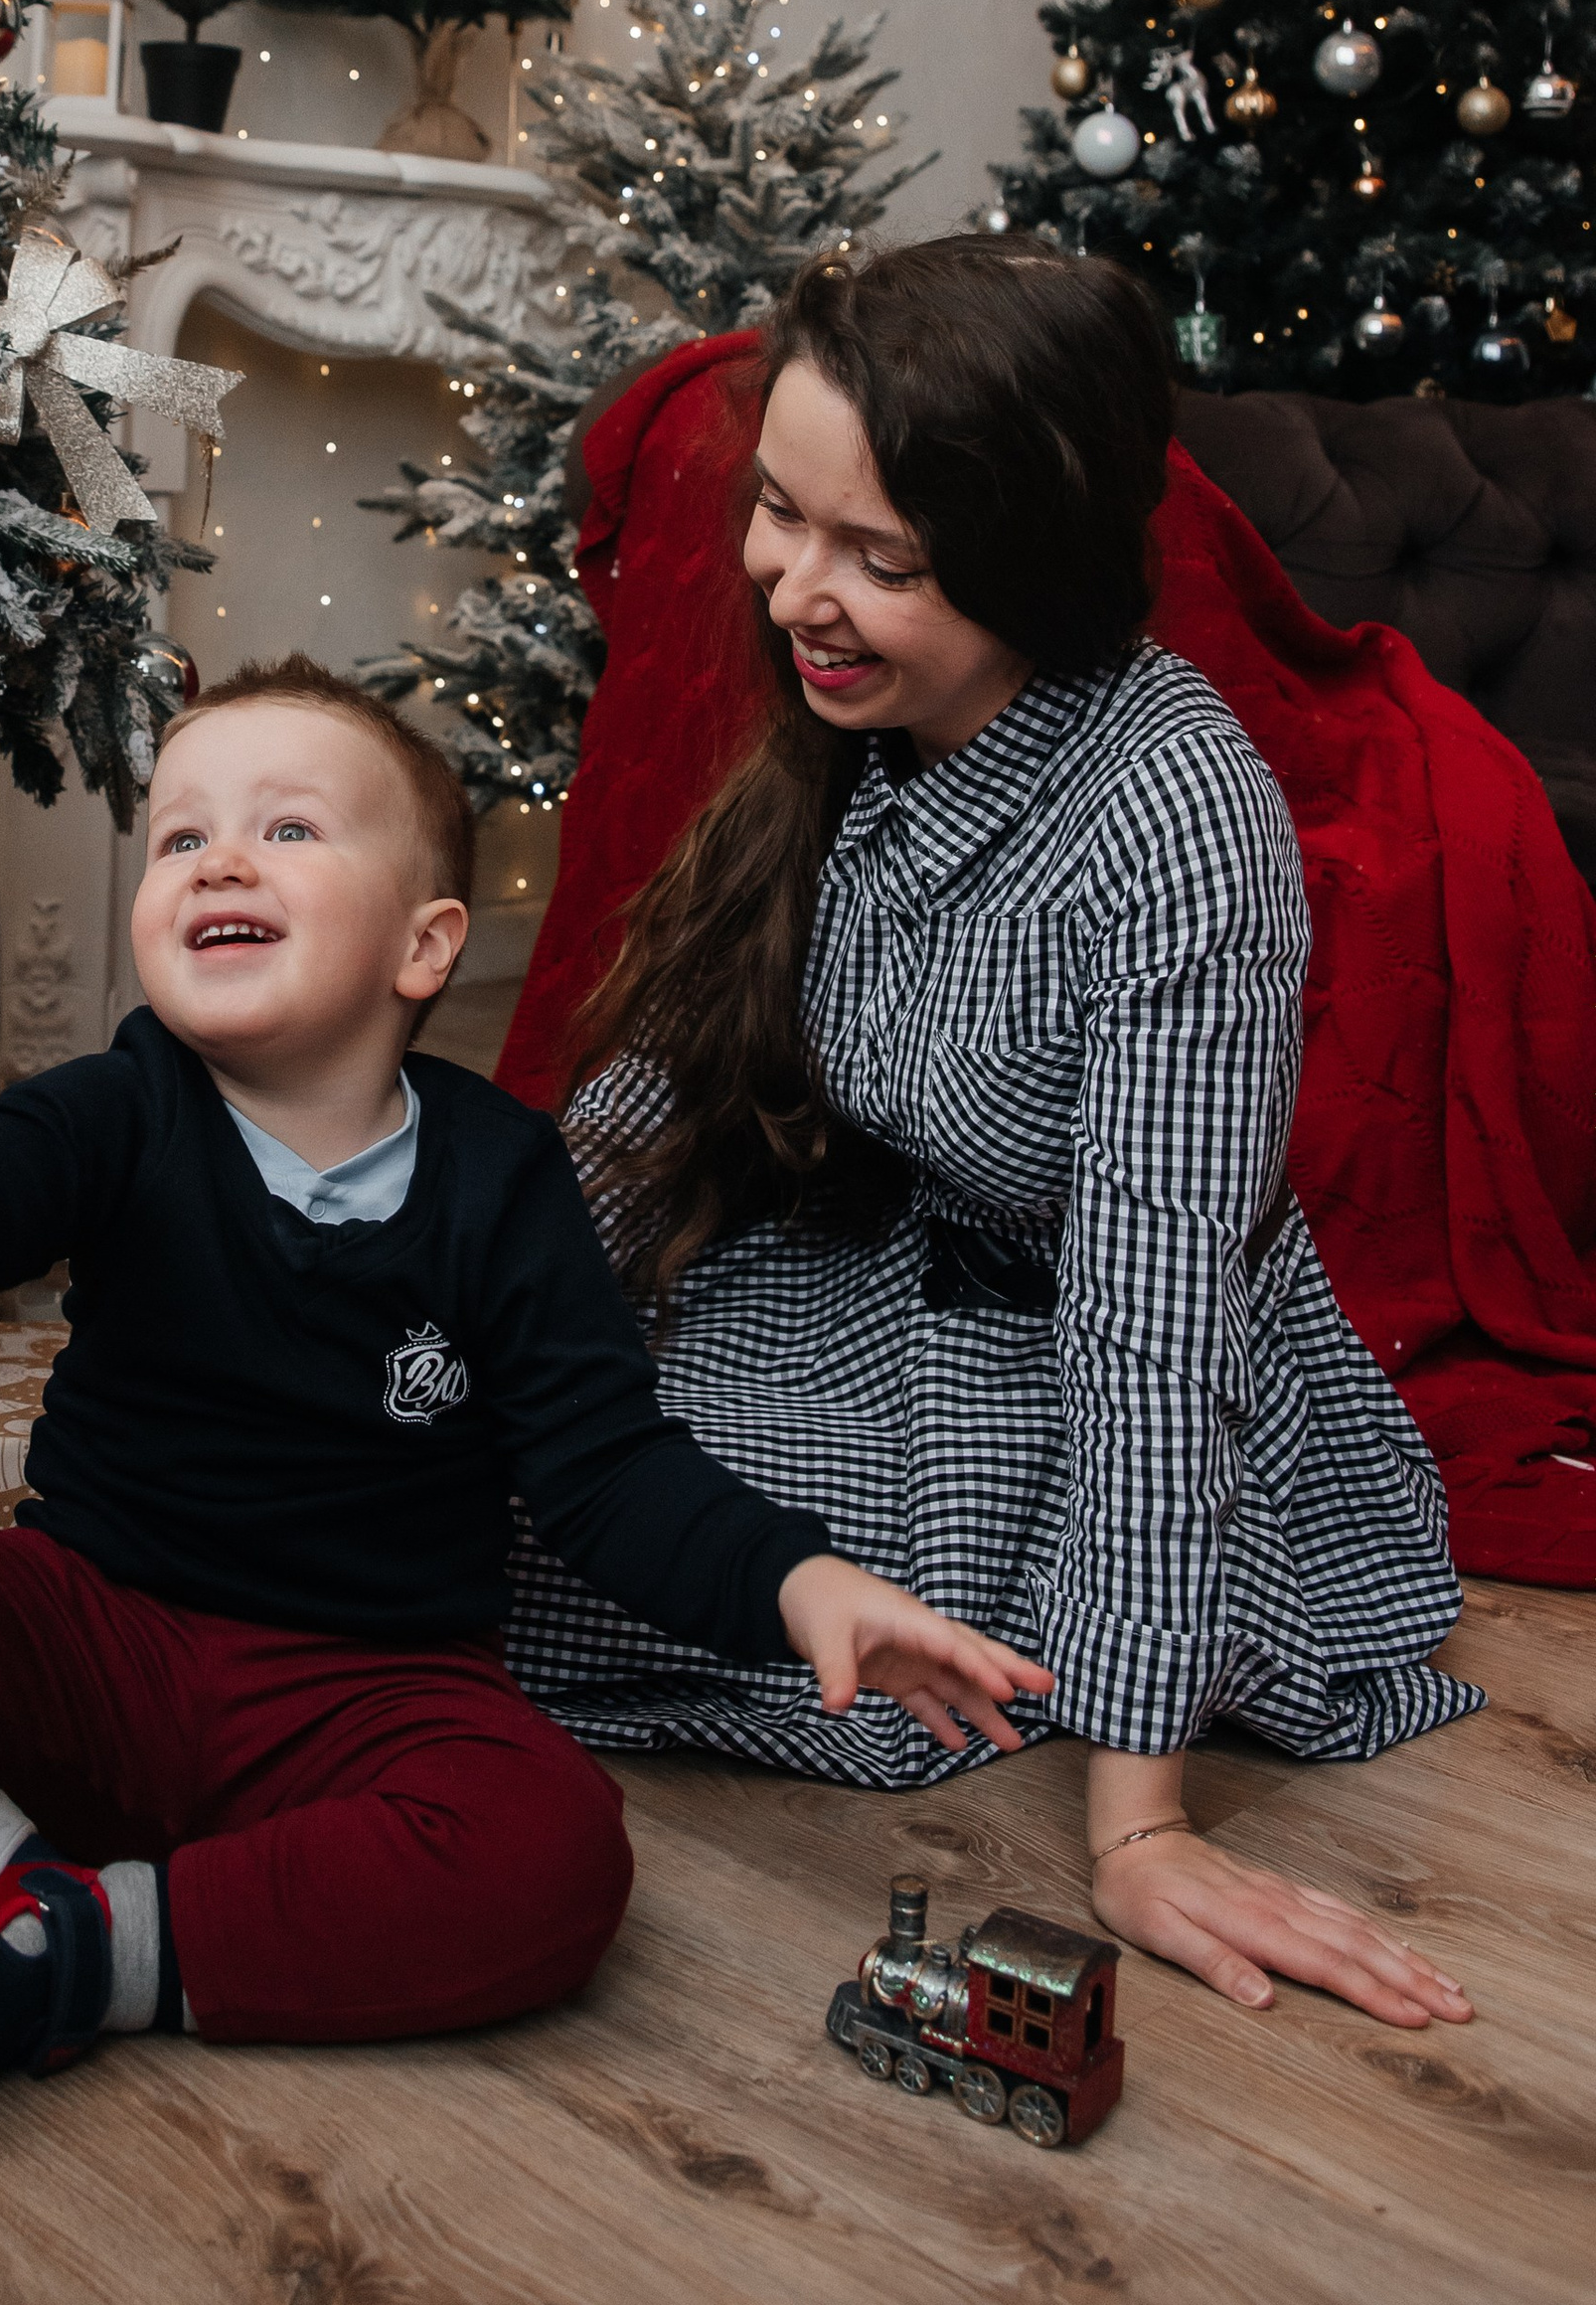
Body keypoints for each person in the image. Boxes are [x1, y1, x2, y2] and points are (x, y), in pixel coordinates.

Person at [0, 653, 1048, 2260]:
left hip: (366, 1691)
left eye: (288, 829)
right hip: (99, 1629)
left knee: (556, 1851)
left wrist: (801, 1583)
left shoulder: (503, 1177)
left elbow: (608, 1470)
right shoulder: (131, 1105)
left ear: (424, 944)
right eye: (180, 836)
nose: (218, 859)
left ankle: (60, 1947)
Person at [506, 238, 1483, 2032]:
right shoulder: (842, 730)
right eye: (782, 516)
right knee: (522, 1450)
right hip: (845, 1267)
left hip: (1064, 1354)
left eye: (879, 559)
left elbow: (1152, 1323)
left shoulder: (1177, 819)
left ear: (1030, 569)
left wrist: (1143, 1832)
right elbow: (648, 1104)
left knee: (826, 1620)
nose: (796, 586)